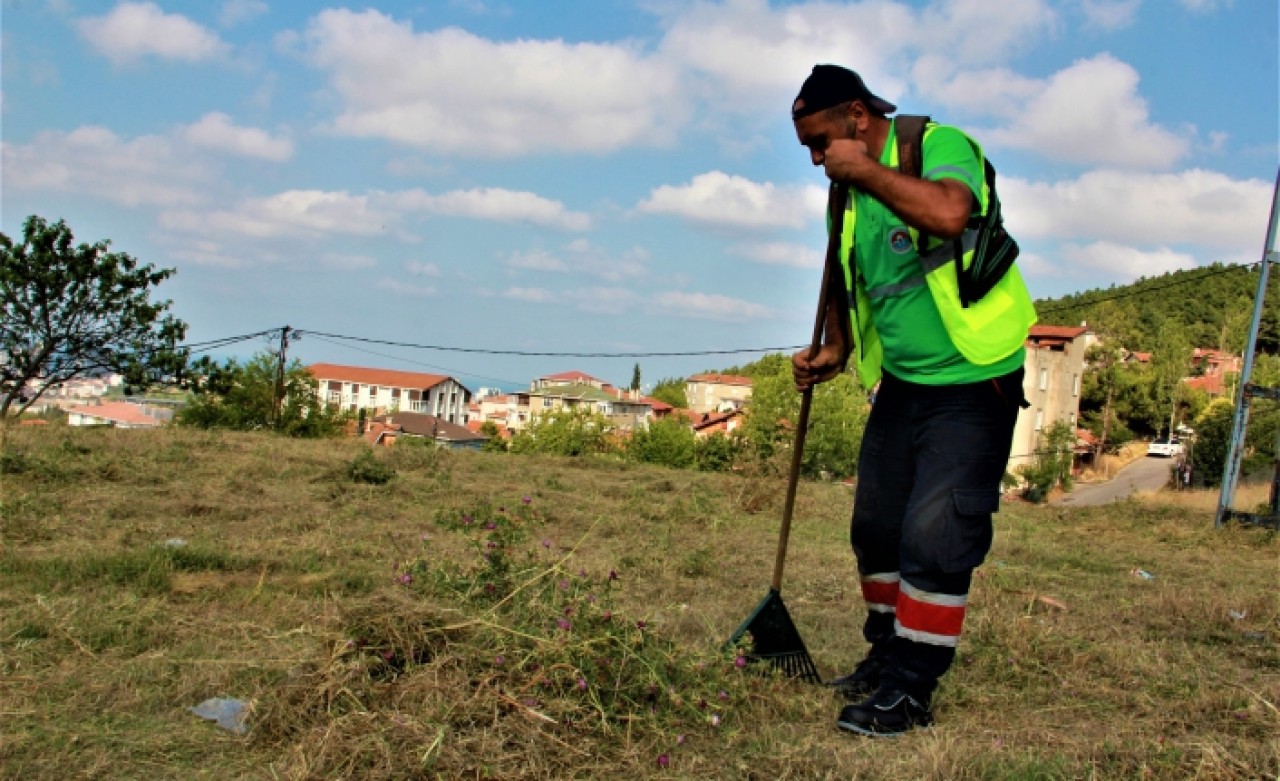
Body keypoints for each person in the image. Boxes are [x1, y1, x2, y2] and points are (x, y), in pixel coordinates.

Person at [789, 64, 1037, 737]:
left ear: (857, 117)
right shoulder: (847, 196)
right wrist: (834, 349)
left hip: (974, 376)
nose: (816, 160)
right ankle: (887, 653)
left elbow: (951, 213)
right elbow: (855, 279)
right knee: (875, 527)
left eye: (819, 142)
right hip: (902, 383)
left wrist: (862, 172)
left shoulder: (938, 144)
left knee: (937, 533)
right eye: (808, 148)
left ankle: (911, 689)